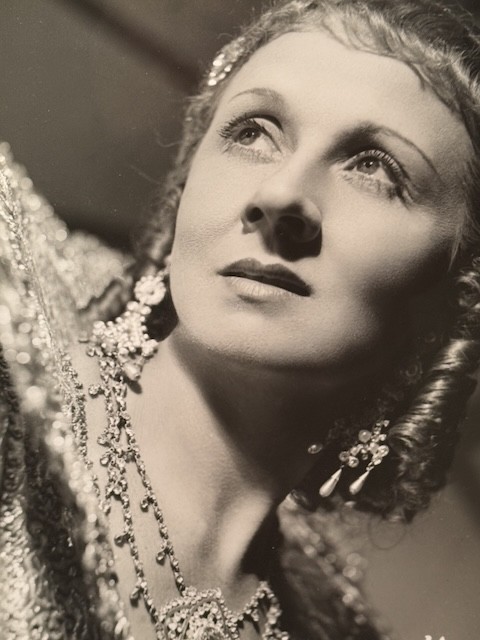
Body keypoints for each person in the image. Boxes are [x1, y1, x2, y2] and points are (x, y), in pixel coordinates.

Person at [1, 0, 480, 638]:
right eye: (253, 132)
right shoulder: (13, 384)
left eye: (374, 167)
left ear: (454, 301)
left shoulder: (326, 620)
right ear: (185, 187)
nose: (280, 195)